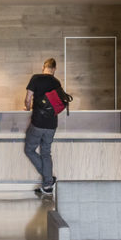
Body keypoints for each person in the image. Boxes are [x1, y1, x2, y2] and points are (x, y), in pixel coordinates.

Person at [23, 58, 71, 198]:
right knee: (46, 153)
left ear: (43, 67)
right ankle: (48, 184)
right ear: (54, 69)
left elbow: (28, 99)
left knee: (29, 149)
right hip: (52, 125)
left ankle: (48, 179)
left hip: (38, 123)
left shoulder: (35, 78)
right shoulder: (56, 82)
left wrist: (27, 108)